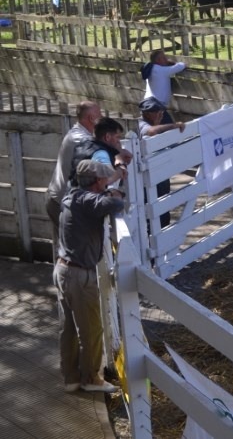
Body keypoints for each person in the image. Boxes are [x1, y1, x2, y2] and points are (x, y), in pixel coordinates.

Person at [54, 159, 125, 394]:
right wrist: (115, 193)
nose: (106, 181)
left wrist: (111, 184)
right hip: (79, 275)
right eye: (103, 179)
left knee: (69, 330)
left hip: (63, 270)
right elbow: (114, 204)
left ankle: (71, 378)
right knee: (92, 330)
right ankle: (91, 378)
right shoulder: (87, 200)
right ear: (96, 182)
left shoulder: (72, 195)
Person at [46, 101, 102, 246]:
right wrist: (119, 151)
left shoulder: (80, 134)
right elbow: (95, 147)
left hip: (60, 200)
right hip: (61, 203)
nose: (101, 117)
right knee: (73, 253)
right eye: (99, 114)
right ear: (91, 118)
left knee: (67, 250)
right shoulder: (79, 136)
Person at [138, 97, 186, 228]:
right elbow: (151, 131)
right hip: (148, 176)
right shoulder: (142, 124)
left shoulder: (157, 123)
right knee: (152, 212)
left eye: (161, 111)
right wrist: (173, 126)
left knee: (164, 208)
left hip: (161, 174)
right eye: (156, 112)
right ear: (146, 113)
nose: (160, 114)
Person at [70, 117, 132, 188]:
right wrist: (120, 171)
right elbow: (107, 179)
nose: (119, 141)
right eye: (117, 137)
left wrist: (118, 154)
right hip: (88, 196)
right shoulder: (101, 153)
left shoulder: (84, 145)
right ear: (107, 137)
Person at [140, 48, 186, 124]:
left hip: (147, 104)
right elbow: (181, 66)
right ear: (158, 60)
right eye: (164, 58)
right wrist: (173, 62)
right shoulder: (162, 71)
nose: (166, 59)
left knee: (154, 130)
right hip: (156, 107)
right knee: (169, 129)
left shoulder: (151, 69)